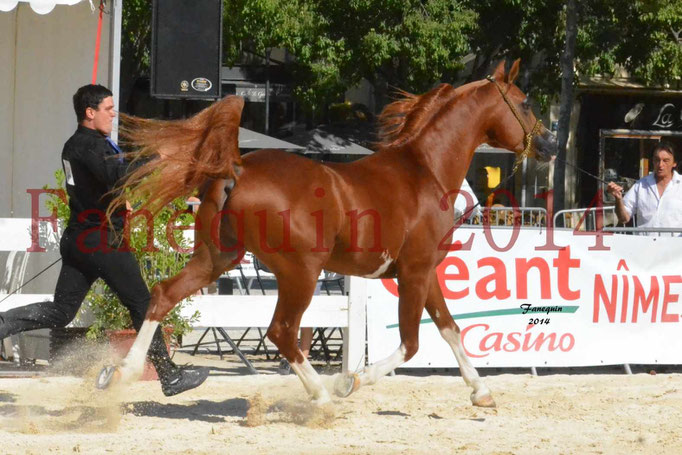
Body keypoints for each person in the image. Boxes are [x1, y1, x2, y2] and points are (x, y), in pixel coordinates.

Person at [0, 84, 208, 396]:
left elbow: (102, 183)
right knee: (142, 303)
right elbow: (118, 176)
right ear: (90, 112)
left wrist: (118, 199)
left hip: (81, 239)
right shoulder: (88, 145)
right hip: (101, 242)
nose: (113, 114)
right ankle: (169, 375)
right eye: (108, 109)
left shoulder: (84, 144)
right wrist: (155, 155)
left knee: (62, 311)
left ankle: (4, 323)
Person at [606, 142, 682, 233]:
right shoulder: (640, 185)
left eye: (666, 161)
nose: (660, 165)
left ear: (675, 163)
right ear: (652, 161)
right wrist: (618, 199)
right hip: (645, 245)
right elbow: (624, 218)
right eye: (657, 160)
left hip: (675, 245)